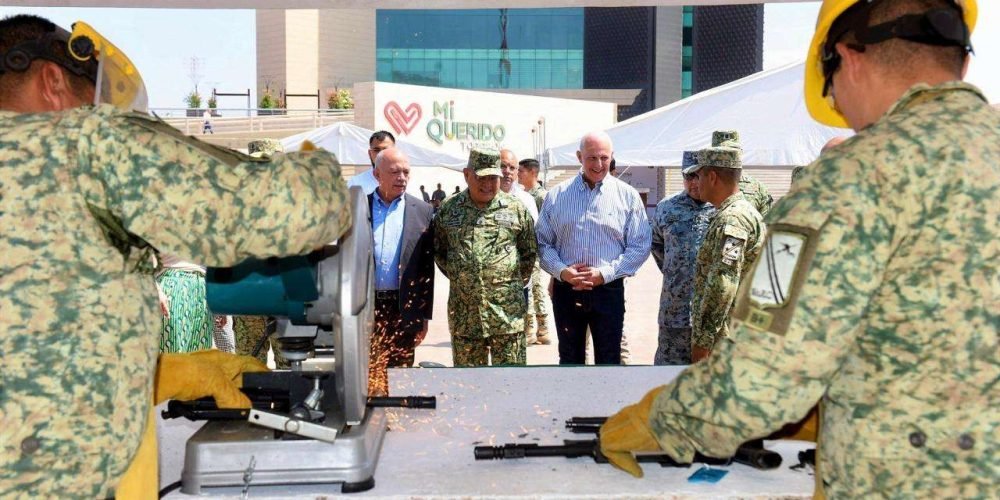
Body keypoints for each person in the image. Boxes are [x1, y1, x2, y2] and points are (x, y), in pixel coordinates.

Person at [600, 1, 996, 497]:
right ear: (960, 61)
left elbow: (759, 379)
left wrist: (661, 423)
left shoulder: (848, 181)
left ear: (847, 58)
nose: (845, 116)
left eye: (831, 92)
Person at [0, 15, 352, 497]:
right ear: (53, 81)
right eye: (96, 98)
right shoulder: (77, 143)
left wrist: (163, 371)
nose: (102, 113)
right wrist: (321, 172)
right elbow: (295, 210)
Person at [536, 131, 651, 365]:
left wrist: (605, 274)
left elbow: (640, 245)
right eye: (591, 158)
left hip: (608, 291)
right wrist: (561, 271)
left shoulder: (627, 197)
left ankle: (608, 402)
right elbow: (543, 242)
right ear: (579, 157)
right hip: (567, 291)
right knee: (569, 359)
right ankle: (572, 402)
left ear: (612, 157)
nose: (599, 165)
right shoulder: (557, 196)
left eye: (604, 158)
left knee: (610, 358)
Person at [433, 149, 537, 367]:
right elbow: (441, 253)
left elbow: (528, 253)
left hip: (508, 317)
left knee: (511, 386)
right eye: (482, 178)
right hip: (465, 317)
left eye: (493, 178)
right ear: (466, 174)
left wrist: (504, 283)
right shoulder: (449, 210)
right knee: (469, 388)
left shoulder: (516, 209)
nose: (488, 184)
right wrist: (464, 276)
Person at [685, 146, 765, 362]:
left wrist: (703, 341)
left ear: (712, 177)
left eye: (699, 175)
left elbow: (723, 283)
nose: (696, 182)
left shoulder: (733, 219)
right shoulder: (737, 213)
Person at [367, 148, 435, 396]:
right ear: (376, 174)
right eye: (394, 172)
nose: (402, 177)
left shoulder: (423, 212)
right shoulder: (358, 208)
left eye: (406, 172)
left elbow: (426, 268)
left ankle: (398, 425)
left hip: (404, 306)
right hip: (367, 306)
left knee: (400, 375)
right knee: (368, 373)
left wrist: (423, 317)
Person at [650, 151, 716, 365]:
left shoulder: (722, 209)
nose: (694, 183)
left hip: (710, 313)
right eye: (689, 177)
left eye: (699, 176)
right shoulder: (666, 208)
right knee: (665, 376)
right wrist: (676, 272)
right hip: (674, 310)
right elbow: (657, 245)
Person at [711, 130, 773, 218]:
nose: (726, 157)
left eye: (732, 153)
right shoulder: (702, 187)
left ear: (740, 153)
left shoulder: (758, 188)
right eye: (721, 153)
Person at [347, 130, 394, 195]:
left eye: (385, 150)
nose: (380, 154)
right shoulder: (355, 183)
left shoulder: (404, 182)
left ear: (394, 152)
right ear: (370, 153)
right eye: (376, 150)